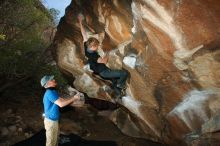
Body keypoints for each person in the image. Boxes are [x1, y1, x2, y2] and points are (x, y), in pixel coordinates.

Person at [78, 14, 128, 98]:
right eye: (97, 45)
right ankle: (120, 85)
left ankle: (119, 94)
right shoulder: (93, 54)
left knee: (114, 80)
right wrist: (107, 53)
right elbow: (104, 61)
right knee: (124, 73)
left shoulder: (86, 46)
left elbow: (84, 35)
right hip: (104, 72)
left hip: (101, 72)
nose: (98, 46)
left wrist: (80, 22)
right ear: (93, 46)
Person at [40, 75, 80, 146]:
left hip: (54, 120)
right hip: (50, 121)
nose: (54, 80)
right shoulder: (49, 93)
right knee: (50, 143)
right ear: (48, 83)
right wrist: (74, 98)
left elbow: (62, 100)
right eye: (52, 80)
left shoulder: (53, 91)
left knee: (55, 140)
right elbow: (61, 104)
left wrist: (74, 100)